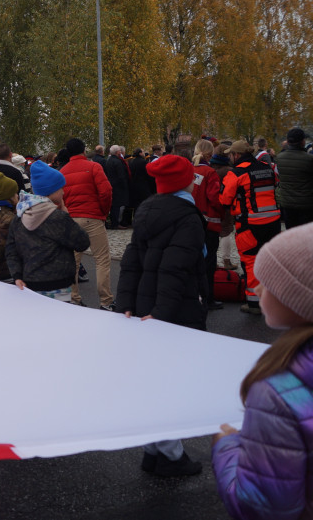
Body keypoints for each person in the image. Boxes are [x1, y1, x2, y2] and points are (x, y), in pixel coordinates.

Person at [211, 223, 313, 517]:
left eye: (266, 282)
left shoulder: (277, 392)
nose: (255, 287)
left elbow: (261, 506)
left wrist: (226, 446)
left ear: (297, 298)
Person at [116, 154, 207, 477]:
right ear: (185, 182)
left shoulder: (147, 211)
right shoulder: (187, 217)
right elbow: (176, 269)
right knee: (172, 383)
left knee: (156, 380)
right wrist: (162, 314)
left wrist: (125, 303)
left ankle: (154, 451)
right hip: (172, 311)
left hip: (146, 308)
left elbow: (132, 260)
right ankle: (170, 454)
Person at [6, 161, 90, 302]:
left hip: (29, 284)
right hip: (59, 285)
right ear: (51, 190)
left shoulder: (19, 216)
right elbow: (83, 242)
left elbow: (11, 249)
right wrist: (66, 214)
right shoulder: (58, 218)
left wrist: (17, 276)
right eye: (61, 188)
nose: (63, 192)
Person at [221, 139, 281, 314]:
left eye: (231, 155)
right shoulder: (267, 167)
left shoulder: (236, 173)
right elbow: (276, 184)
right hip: (273, 222)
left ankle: (254, 304)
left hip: (250, 224)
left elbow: (225, 199)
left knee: (251, 261)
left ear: (236, 155)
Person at [61, 138, 114, 310]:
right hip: (92, 217)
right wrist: (103, 213)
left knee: (73, 261)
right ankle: (105, 300)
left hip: (72, 218)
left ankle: (74, 297)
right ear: (84, 150)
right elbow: (106, 192)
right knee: (102, 259)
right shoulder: (94, 167)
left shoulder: (62, 172)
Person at [193, 139, 227, 311]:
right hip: (209, 223)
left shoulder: (188, 170)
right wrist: (224, 212)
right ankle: (208, 298)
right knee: (209, 262)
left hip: (190, 222)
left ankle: (193, 295)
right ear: (210, 153)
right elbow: (215, 198)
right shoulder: (209, 172)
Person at [276, 127, 313, 228]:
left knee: (291, 235)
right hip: (306, 205)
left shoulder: (279, 158)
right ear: (303, 141)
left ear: (288, 141)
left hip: (287, 204)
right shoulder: (309, 159)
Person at [104, 145, 131, 229]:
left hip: (111, 184)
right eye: (119, 151)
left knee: (113, 205)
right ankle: (115, 223)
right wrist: (125, 185)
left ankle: (114, 222)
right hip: (118, 186)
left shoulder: (109, 161)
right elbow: (121, 176)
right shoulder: (118, 162)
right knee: (117, 205)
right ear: (117, 152)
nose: (120, 152)